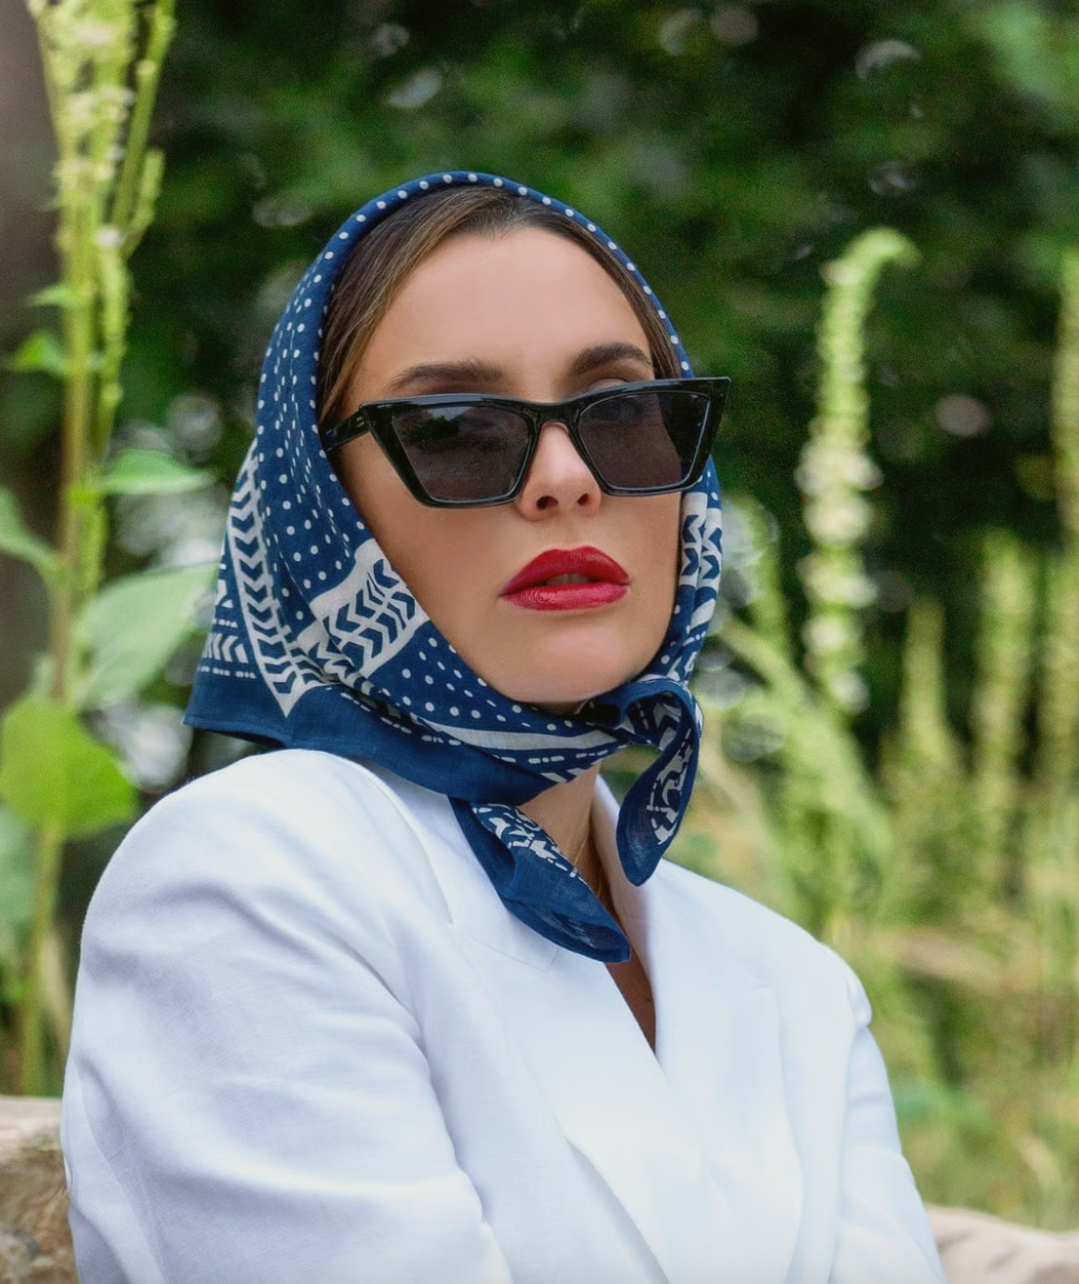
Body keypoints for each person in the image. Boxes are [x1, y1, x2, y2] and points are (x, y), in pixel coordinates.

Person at [61, 172, 945, 1284]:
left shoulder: (795, 985)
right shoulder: (246, 879)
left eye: (620, 413)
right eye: (456, 432)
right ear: (324, 502)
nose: (564, 481)